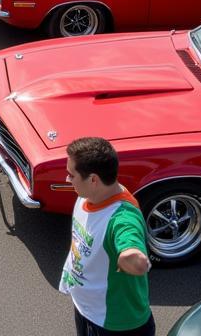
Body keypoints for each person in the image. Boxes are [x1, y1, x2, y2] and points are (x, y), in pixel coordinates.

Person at [59, 136, 153, 336]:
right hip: (87, 309)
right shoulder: (88, 196)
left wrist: (133, 258)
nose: (67, 179)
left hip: (114, 323)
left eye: (71, 175)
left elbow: (131, 243)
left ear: (93, 179)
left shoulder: (122, 218)